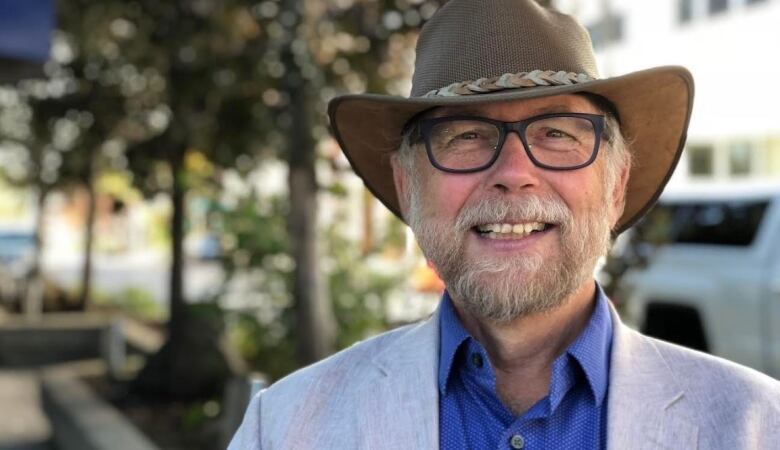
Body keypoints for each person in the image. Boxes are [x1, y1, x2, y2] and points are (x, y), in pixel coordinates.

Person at [229, 0, 780, 448]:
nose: (514, 174)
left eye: (558, 134)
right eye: (465, 136)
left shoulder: (759, 426)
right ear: (406, 187)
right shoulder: (283, 427)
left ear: (615, 186)